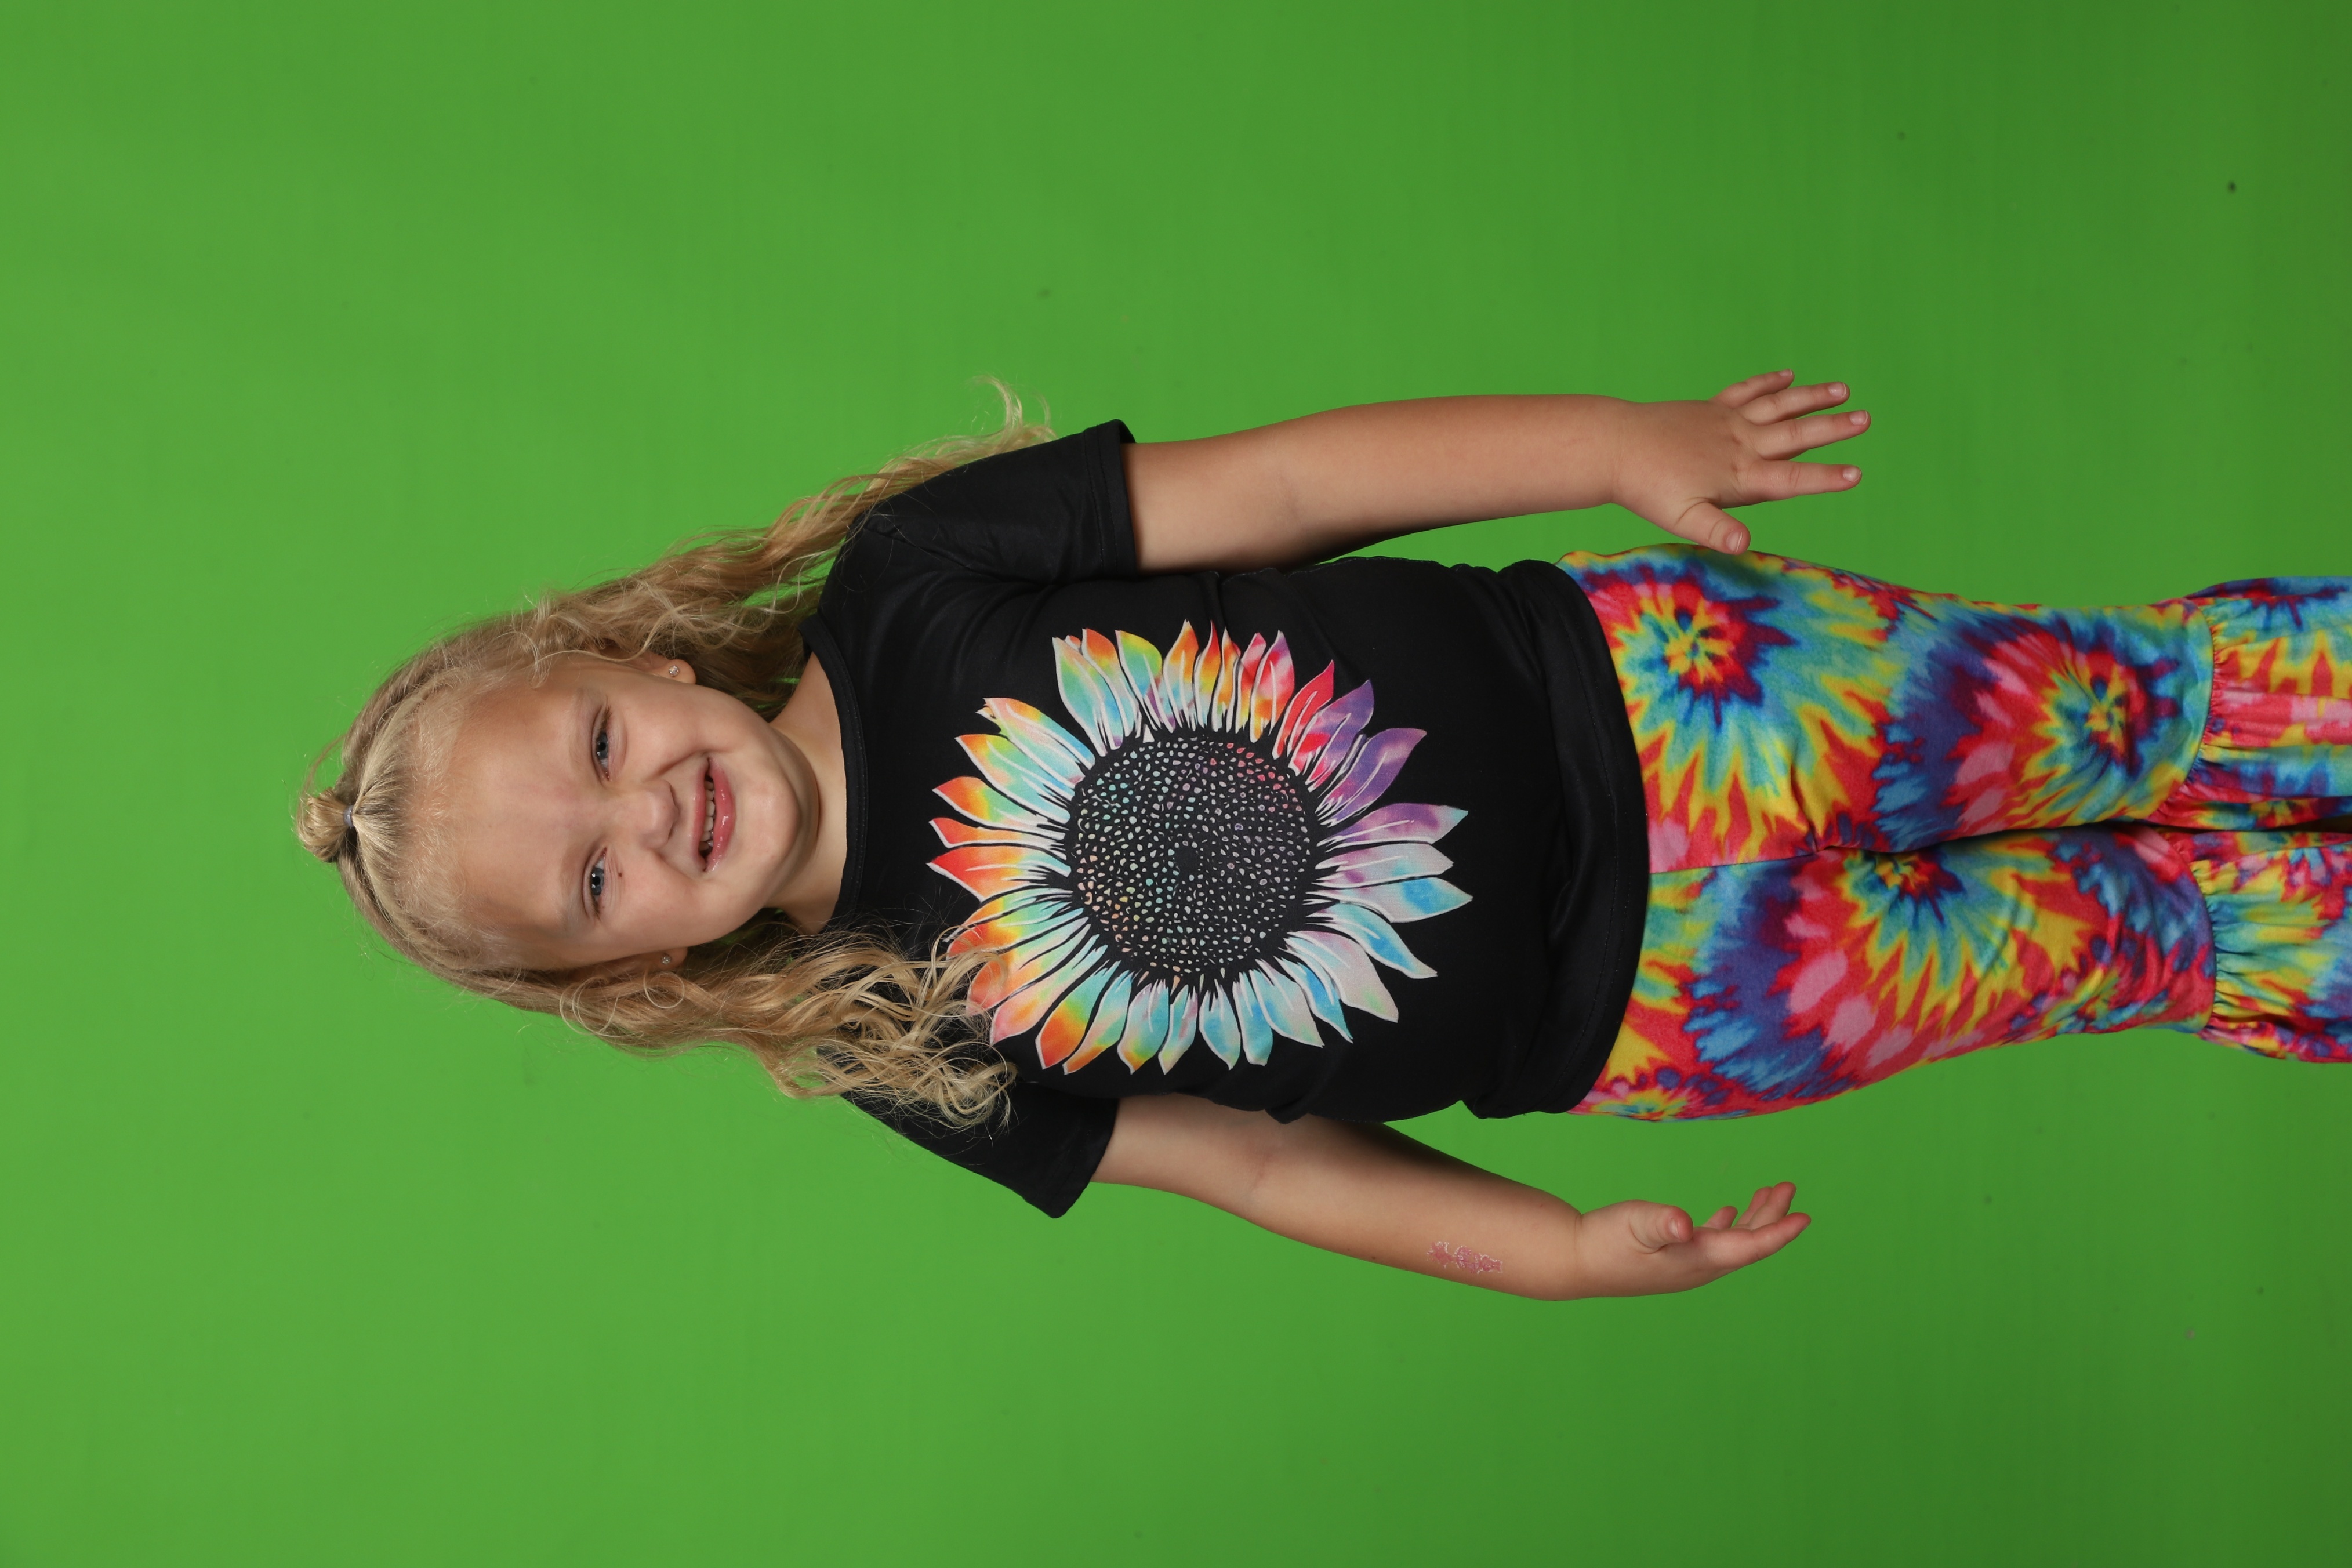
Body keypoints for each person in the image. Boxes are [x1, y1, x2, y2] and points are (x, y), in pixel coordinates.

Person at [295, 372, 2352, 1300]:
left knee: (2124, 709)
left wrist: (1610, 442)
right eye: (593, 878)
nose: (649, 810)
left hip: (1679, 690)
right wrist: (1541, 1255)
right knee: (2122, 940)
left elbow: (1290, 489)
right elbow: (1267, 1167)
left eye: (597, 742)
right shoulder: (899, 1044)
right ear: (631, 967)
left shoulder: (915, 583)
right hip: (1666, 1009)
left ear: (631, 654)